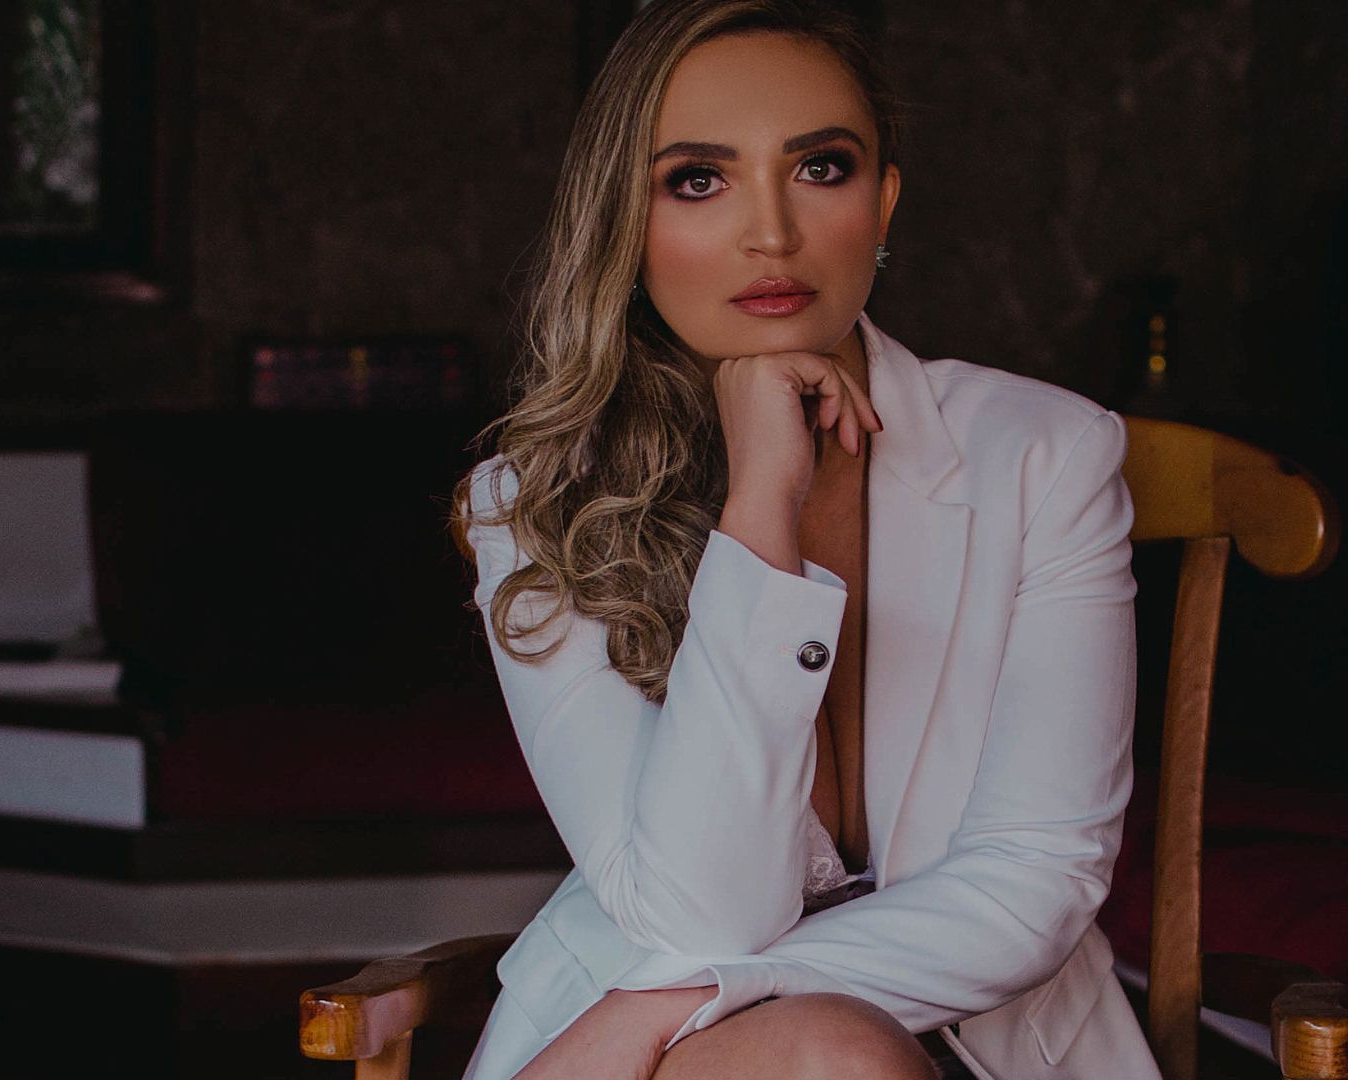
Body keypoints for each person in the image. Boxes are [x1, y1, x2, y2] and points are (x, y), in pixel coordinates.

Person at [449, 1, 1156, 1077]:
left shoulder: (1045, 455)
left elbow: (1037, 878)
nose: (769, 233)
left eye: (821, 168)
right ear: (622, 225)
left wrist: (673, 1009)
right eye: (697, 179)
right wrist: (761, 509)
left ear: (885, 203)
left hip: (965, 1044)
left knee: (829, 1053)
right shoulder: (535, 499)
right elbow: (697, 906)